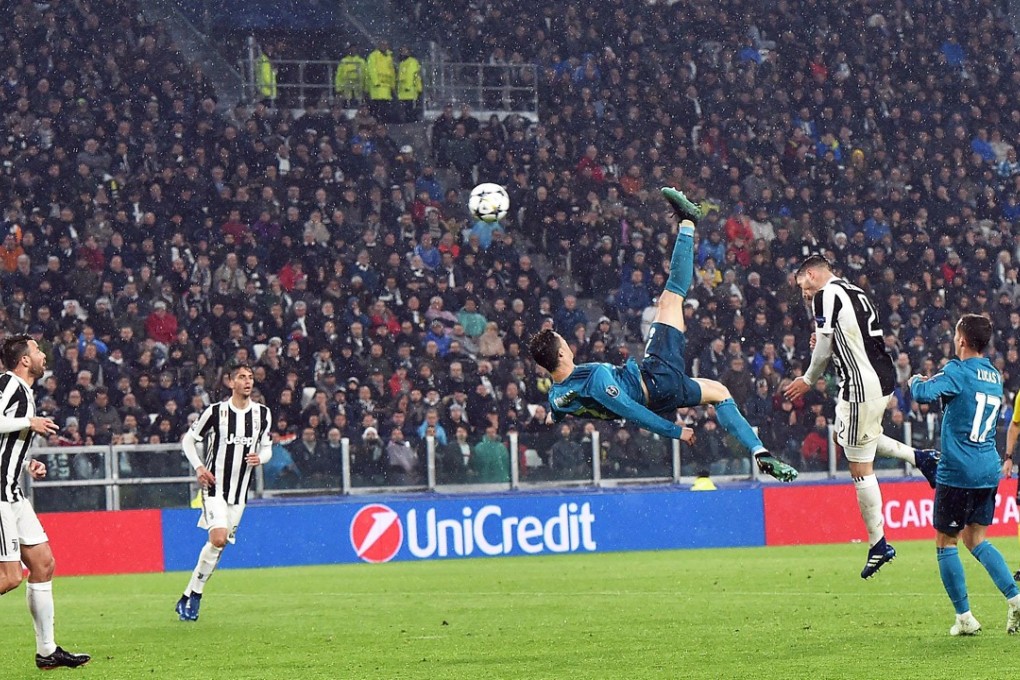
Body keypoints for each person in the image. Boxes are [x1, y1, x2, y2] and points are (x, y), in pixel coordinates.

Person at [529, 188, 798, 483]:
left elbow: (558, 410)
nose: (568, 343)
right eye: (563, 341)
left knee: (720, 392)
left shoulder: (557, 397)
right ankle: (688, 222)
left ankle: (759, 451)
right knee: (670, 299)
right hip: (656, 379)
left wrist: (551, 416)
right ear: (561, 353)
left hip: (659, 392)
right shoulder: (595, 378)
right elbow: (630, 411)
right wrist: (675, 431)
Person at [784, 254, 939, 578]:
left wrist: (808, 379)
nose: (804, 294)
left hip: (859, 385)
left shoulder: (825, 294)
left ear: (811, 274)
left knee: (858, 465)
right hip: (880, 378)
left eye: (802, 286)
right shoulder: (853, 290)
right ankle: (921, 458)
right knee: (849, 437)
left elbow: (825, 346)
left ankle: (878, 543)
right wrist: (826, 339)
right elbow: (854, 338)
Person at [910, 315, 1020, 635]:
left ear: (961, 340)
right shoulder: (994, 375)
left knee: (946, 542)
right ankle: (1015, 599)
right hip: (987, 469)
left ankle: (964, 618)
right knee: (976, 539)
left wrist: (915, 380)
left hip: (959, 470)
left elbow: (923, 394)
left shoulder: (957, 371)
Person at [0, 335, 91, 669]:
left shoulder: (25, 392)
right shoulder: (8, 384)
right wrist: (29, 422)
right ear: (24, 359)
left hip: (13, 491)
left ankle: (47, 651)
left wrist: (26, 463)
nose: (42, 355)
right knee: (10, 577)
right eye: (37, 350)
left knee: (43, 564)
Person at [175, 362, 272, 621]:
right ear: (230, 382)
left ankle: (188, 595)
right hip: (214, 488)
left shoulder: (262, 414)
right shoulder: (216, 412)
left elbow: (267, 448)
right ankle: (195, 596)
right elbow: (188, 440)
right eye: (241, 377)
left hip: (239, 495)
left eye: (250, 377)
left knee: (218, 546)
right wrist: (199, 467)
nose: (247, 381)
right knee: (218, 539)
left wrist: (260, 458)